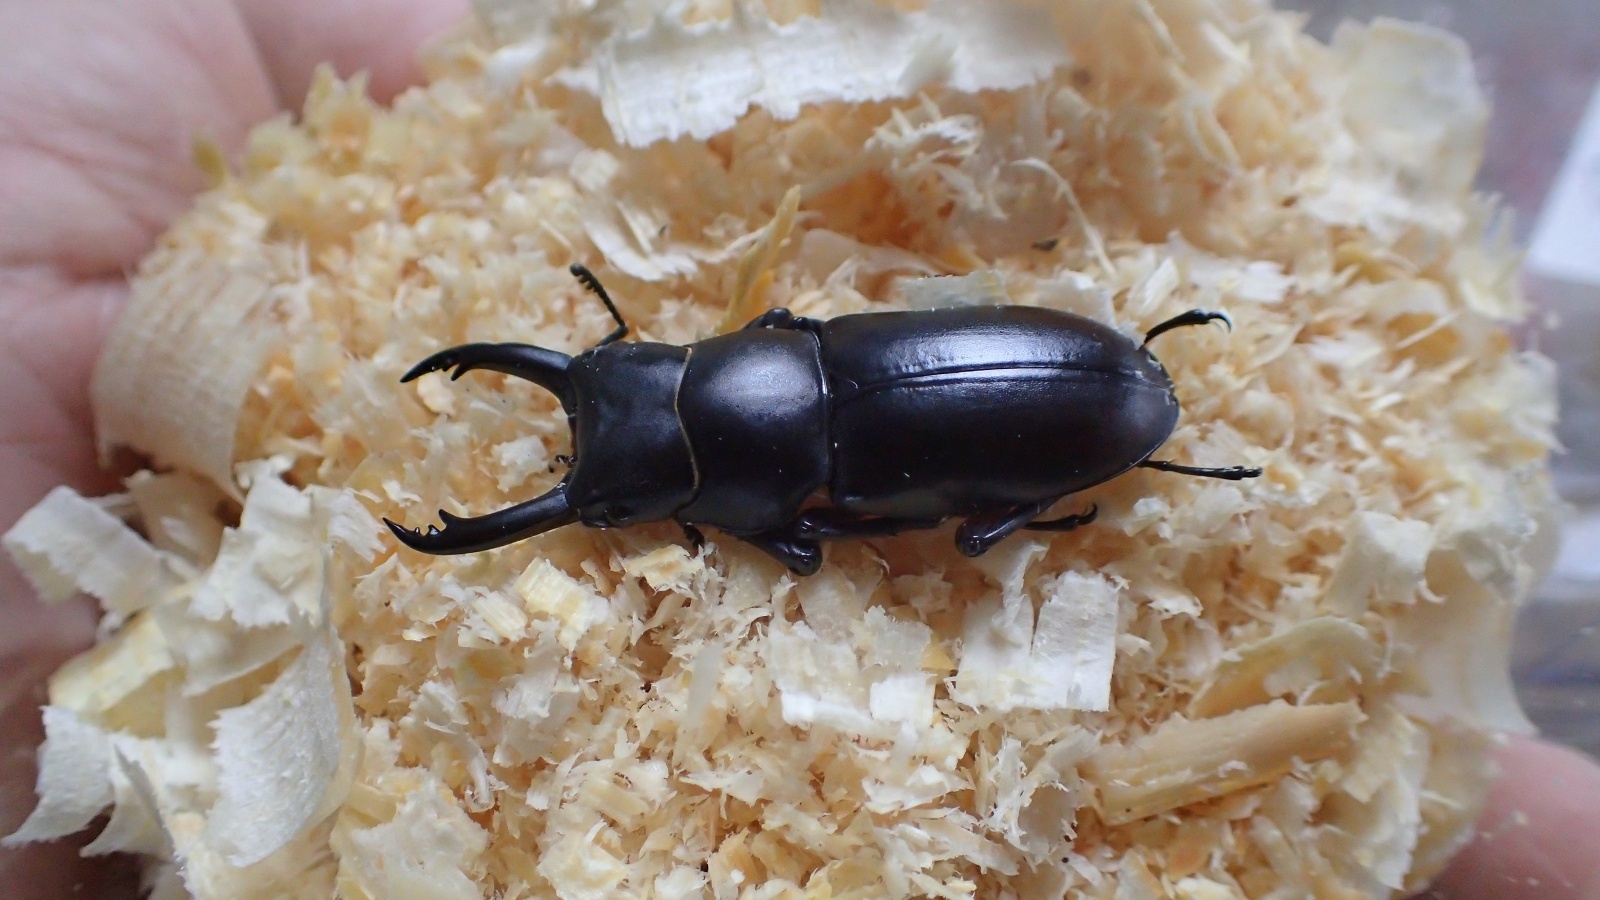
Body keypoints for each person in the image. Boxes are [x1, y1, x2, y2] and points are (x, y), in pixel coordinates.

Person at [0, 2, 1594, 898]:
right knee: (966, 517)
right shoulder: (810, 359)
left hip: (1098, 406)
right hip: (1070, 381)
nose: (609, 444)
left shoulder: (808, 490)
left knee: (967, 524)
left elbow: (807, 533)